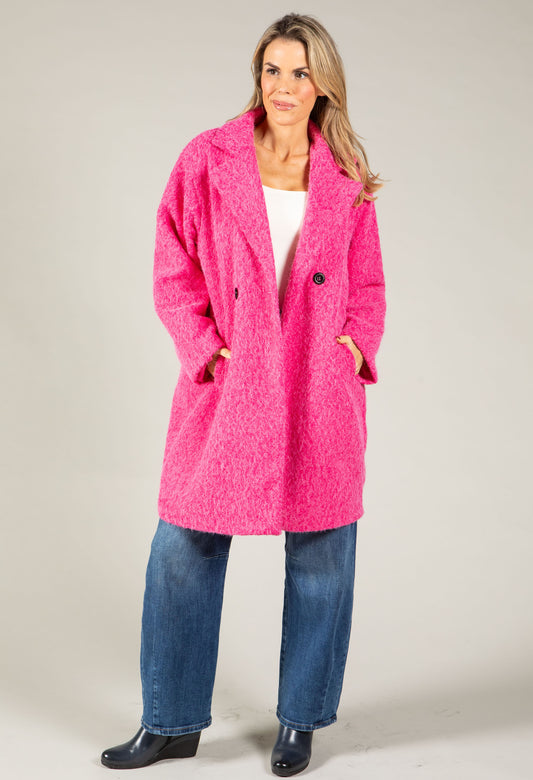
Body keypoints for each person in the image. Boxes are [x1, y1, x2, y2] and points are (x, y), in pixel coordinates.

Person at [101, 12, 386, 777]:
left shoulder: (345, 175)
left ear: (323, 83)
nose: (283, 86)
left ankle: (300, 722)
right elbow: (172, 263)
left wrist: (352, 349)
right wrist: (204, 349)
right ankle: (169, 722)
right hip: (233, 382)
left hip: (316, 387)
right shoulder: (210, 158)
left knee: (322, 554)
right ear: (257, 76)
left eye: (299, 72)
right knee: (182, 548)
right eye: (271, 69)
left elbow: (367, 284)